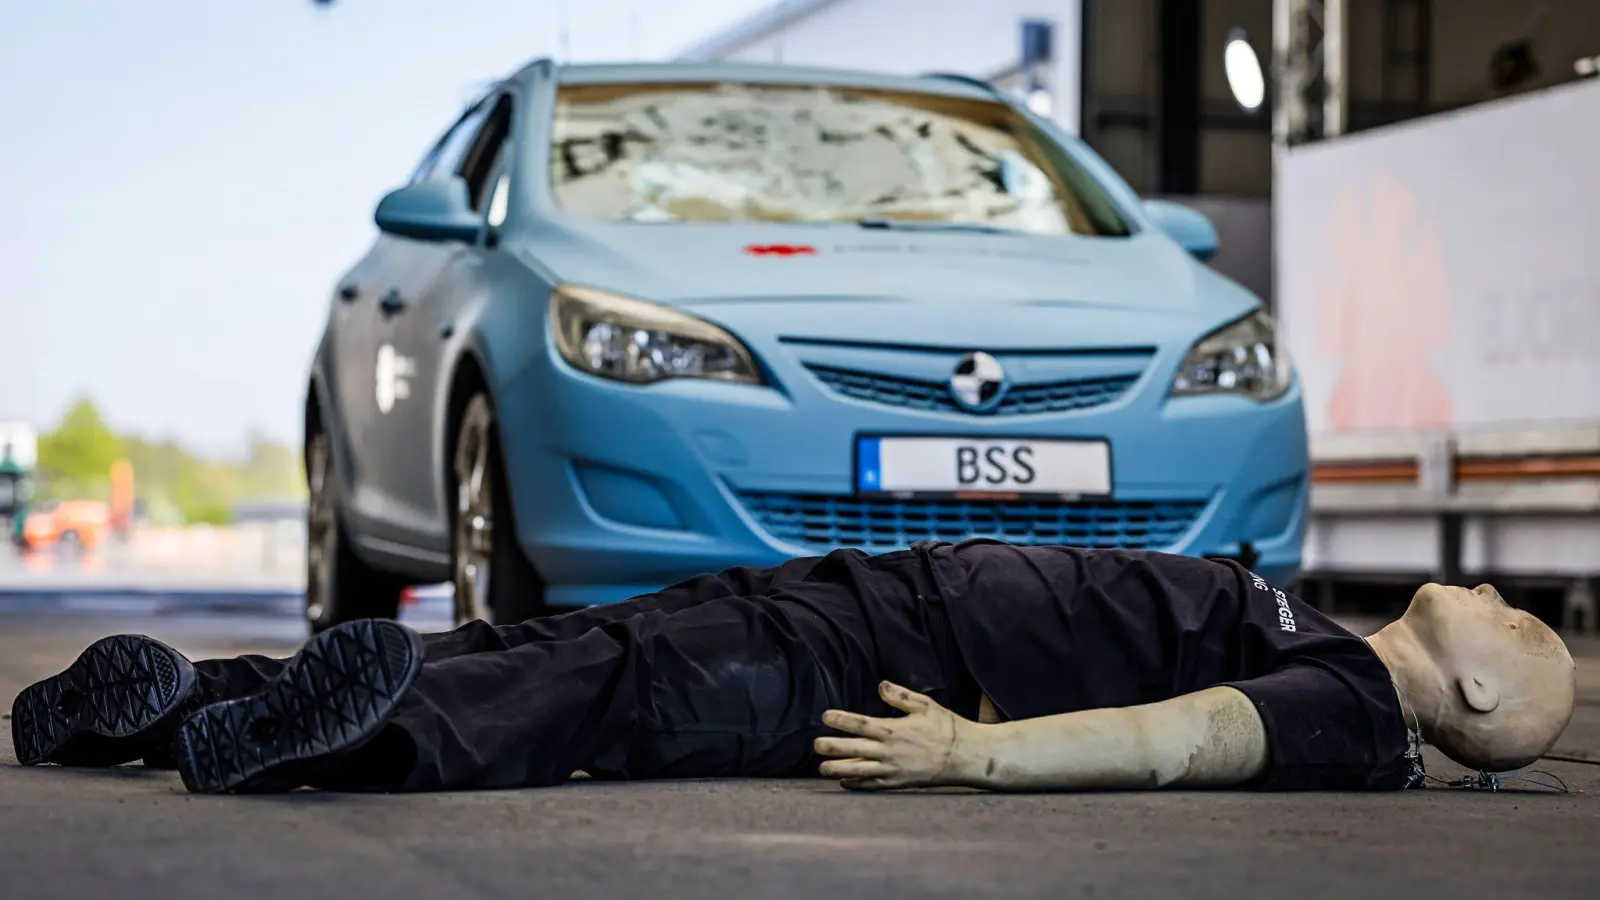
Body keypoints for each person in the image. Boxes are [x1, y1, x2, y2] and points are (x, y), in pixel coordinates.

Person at [11, 540, 1576, 795]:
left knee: (601, 693)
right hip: (871, 596)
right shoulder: (1324, 632)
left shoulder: (1351, 708)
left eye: (1517, 624)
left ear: (1481, 698)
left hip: (889, 658)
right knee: (549, 644)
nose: (1498, 594)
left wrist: (975, 756)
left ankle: (332, 742)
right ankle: (178, 705)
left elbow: (1187, 740)